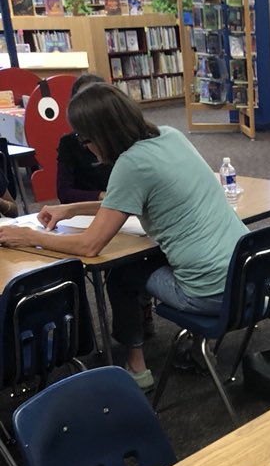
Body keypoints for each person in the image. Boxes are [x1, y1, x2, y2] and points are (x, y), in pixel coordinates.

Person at [0, 83, 247, 391]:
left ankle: (137, 367)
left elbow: (89, 245)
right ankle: (199, 347)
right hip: (247, 274)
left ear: (101, 135)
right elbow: (128, 200)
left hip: (209, 293)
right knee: (151, 256)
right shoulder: (171, 136)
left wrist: (26, 236)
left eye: (84, 138)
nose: (85, 146)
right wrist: (71, 209)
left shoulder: (131, 164)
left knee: (122, 274)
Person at [56, 72, 112, 204]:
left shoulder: (122, 137)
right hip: (89, 210)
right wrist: (100, 195)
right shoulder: (69, 142)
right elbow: (64, 192)